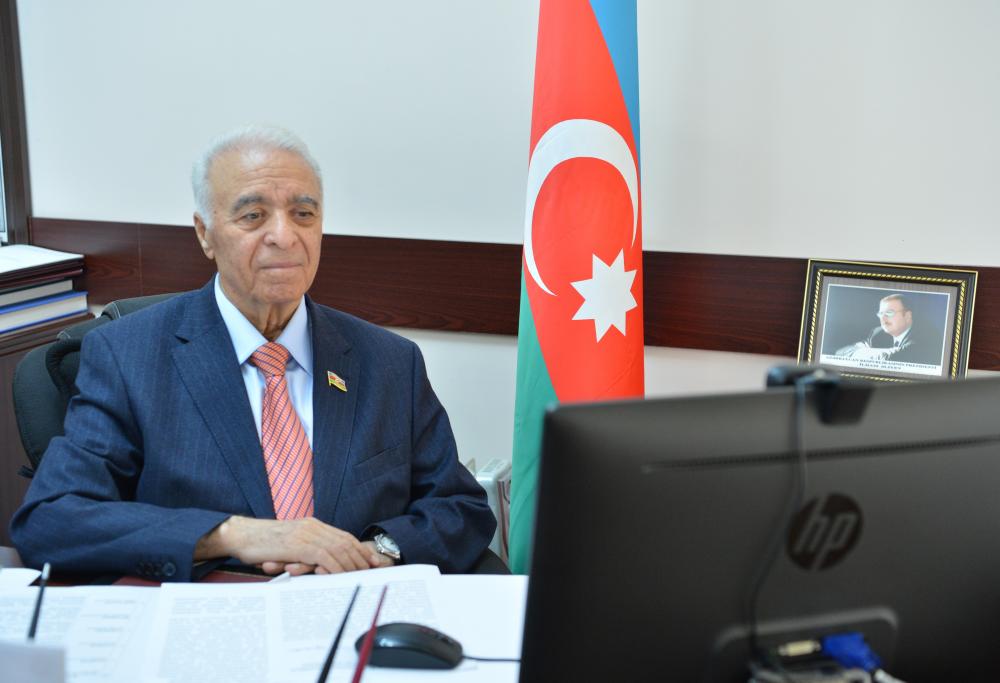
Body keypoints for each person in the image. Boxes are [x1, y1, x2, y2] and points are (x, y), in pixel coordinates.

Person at [10, 125, 496, 581]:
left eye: (303, 214)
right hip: (210, 614)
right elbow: (52, 519)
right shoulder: (127, 356)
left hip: (351, 609)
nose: (284, 236)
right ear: (204, 233)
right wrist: (233, 535)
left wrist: (377, 552)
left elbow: (459, 507)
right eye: (253, 215)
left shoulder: (388, 361)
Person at [835, 293, 942, 365]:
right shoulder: (877, 333)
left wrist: (865, 352)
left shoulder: (926, 336)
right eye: (881, 313)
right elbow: (841, 352)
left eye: (889, 313)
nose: (883, 319)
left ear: (907, 316)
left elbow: (897, 358)